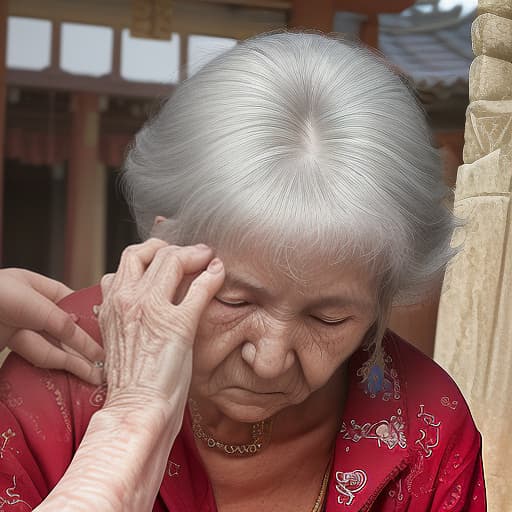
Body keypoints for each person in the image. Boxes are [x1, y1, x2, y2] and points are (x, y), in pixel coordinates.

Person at [0, 32, 485, 511]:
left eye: (329, 319)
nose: (270, 361)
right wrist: (132, 422)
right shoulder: (56, 383)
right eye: (235, 301)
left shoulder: (427, 424)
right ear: (165, 246)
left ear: (382, 295)